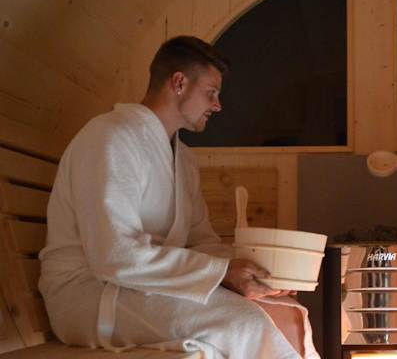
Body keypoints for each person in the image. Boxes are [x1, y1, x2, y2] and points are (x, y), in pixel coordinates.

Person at [39, 36, 319, 359]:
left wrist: (264, 273)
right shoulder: (110, 136)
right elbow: (114, 255)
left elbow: (201, 241)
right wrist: (221, 272)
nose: (218, 105)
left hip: (141, 286)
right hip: (90, 294)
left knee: (286, 310)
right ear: (179, 83)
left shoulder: (182, 158)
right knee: (247, 324)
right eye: (211, 93)